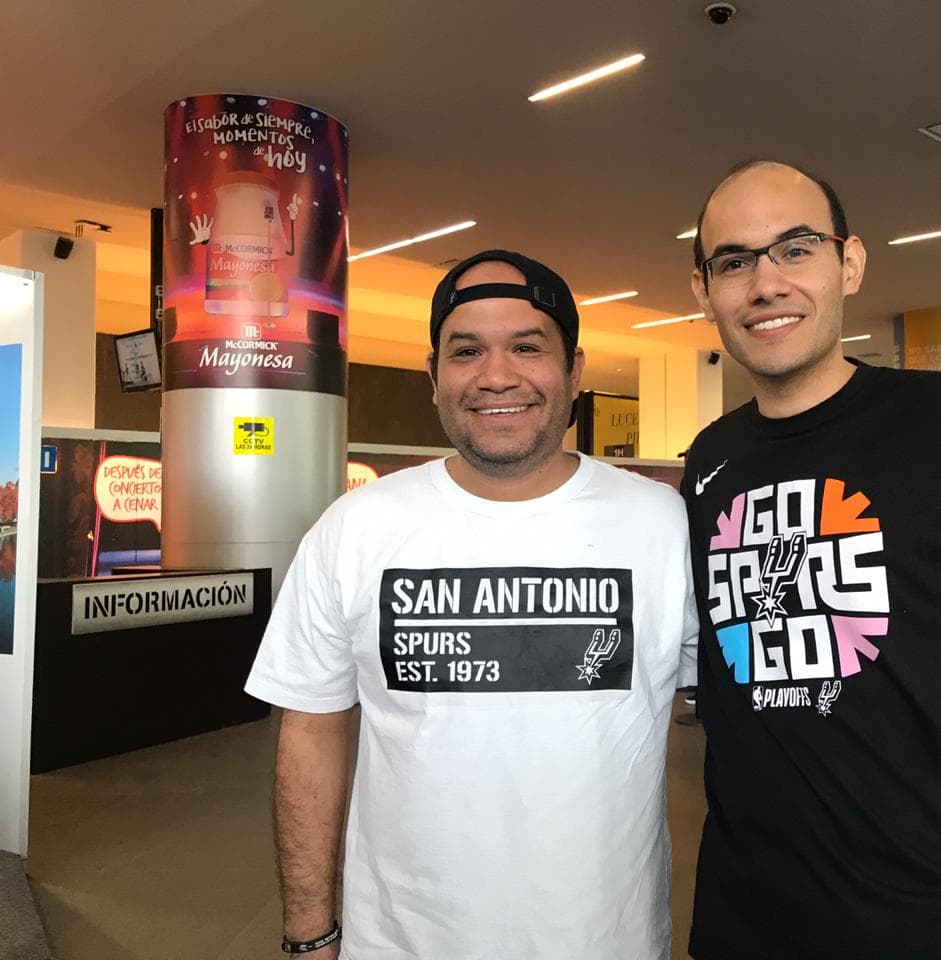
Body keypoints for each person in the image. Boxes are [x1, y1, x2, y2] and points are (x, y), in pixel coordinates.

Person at [681, 160, 941, 960]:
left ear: (850, 263)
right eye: (733, 261)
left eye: (795, 248)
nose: (765, 282)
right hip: (745, 921)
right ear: (705, 290)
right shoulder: (711, 460)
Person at [245, 250, 702, 959]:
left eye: (527, 346)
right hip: (402, 944)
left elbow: (749, 726)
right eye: (467, 351)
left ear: (574, 370)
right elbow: (311, 732)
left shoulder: (662, 525)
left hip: (606, 941)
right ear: (434, 377)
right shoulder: (356, 527)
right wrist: (310, 934)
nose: (496, 376)